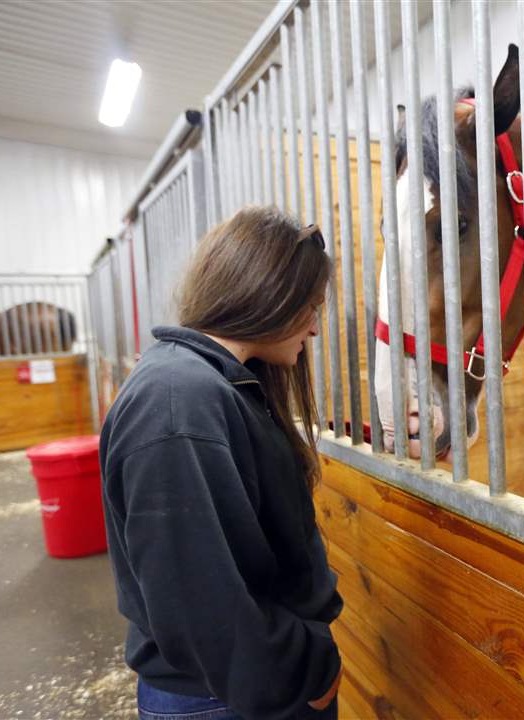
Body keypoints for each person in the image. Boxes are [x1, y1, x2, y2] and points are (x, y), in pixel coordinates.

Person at [100, 207, 344, 719]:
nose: (316, 328)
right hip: (229, 698)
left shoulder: (217, 385)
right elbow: (198, 600)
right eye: (310, 307)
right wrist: (304, 676)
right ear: (270, 295)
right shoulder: (178, 401)